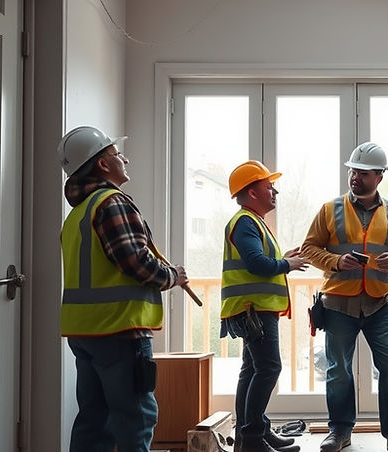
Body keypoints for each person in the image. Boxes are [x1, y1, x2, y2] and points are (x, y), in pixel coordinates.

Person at [58, 126, 189, 451]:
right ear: (103, 165)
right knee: (135, 420)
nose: (125, 158)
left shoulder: (78, 214)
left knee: (93, 420)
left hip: (85, 333)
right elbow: (136, 263)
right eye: (117, 155)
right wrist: (172, 276)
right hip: (120, 331)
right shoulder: (112, 203)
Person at [302, 142, 388, 452]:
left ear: (379, 177)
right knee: (338, 371)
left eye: (364, 173)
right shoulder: (330, 210)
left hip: (381, 305)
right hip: (338, 304)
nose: (355, 177)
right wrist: (336, 261)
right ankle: (340, 432)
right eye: (353, 171)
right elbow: (309, 249)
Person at [220, 160, 308, 452]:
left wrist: (284, 257)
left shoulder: (252, 222)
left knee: (252, 369)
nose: (275, 192)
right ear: (252, 192)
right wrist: (288, 264)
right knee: (269, 368)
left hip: (252, 309)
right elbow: (257, 264)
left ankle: (251, 436)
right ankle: (254, 438)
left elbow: (258, 260)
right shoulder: (245, 222)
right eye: (269, 186)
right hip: (252, 310)